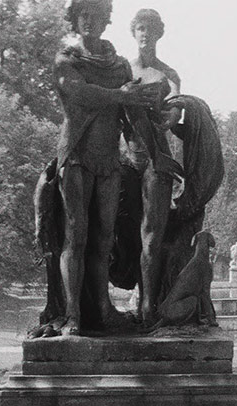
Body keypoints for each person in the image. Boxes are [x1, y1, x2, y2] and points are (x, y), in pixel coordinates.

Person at [52, 0, 162, 334]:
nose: (90, 21)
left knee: (103, 239)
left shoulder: (118, 67)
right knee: (77, 236)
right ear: (75, 19)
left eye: (97, 16)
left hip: (109, 161)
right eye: (84, 15)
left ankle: (102, 309)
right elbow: (81, 94)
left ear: (106, 21)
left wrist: (156, 148)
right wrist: (123, 96)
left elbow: (131, 119)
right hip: (76, 157)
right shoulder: (66, 61)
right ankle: (72, 315)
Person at [125, 8, 183, 324]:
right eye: (140, 28)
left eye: (151, 29)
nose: (145, 33)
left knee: (151, 234)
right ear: (133, 32)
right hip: (125, 160)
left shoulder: (168, 74)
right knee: (114, 232)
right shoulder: (122, 71)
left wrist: (173, 113)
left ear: (159, 34)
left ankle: (148, 306)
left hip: (156, 159)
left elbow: (175, 105)